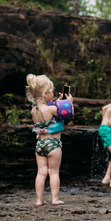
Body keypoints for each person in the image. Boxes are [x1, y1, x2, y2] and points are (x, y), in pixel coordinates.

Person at [26, 74, 73, 206]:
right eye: (51, 91)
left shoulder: (33, 110)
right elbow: (68, 112)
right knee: (53, 172)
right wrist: (69, 102)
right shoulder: (52, 109)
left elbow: (49, 111)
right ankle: (55, 199)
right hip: (53, 144)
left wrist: (58, 101)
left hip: (40, 144)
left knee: (41, 173)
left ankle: (39, 200)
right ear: (46, 93)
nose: (53, 92)